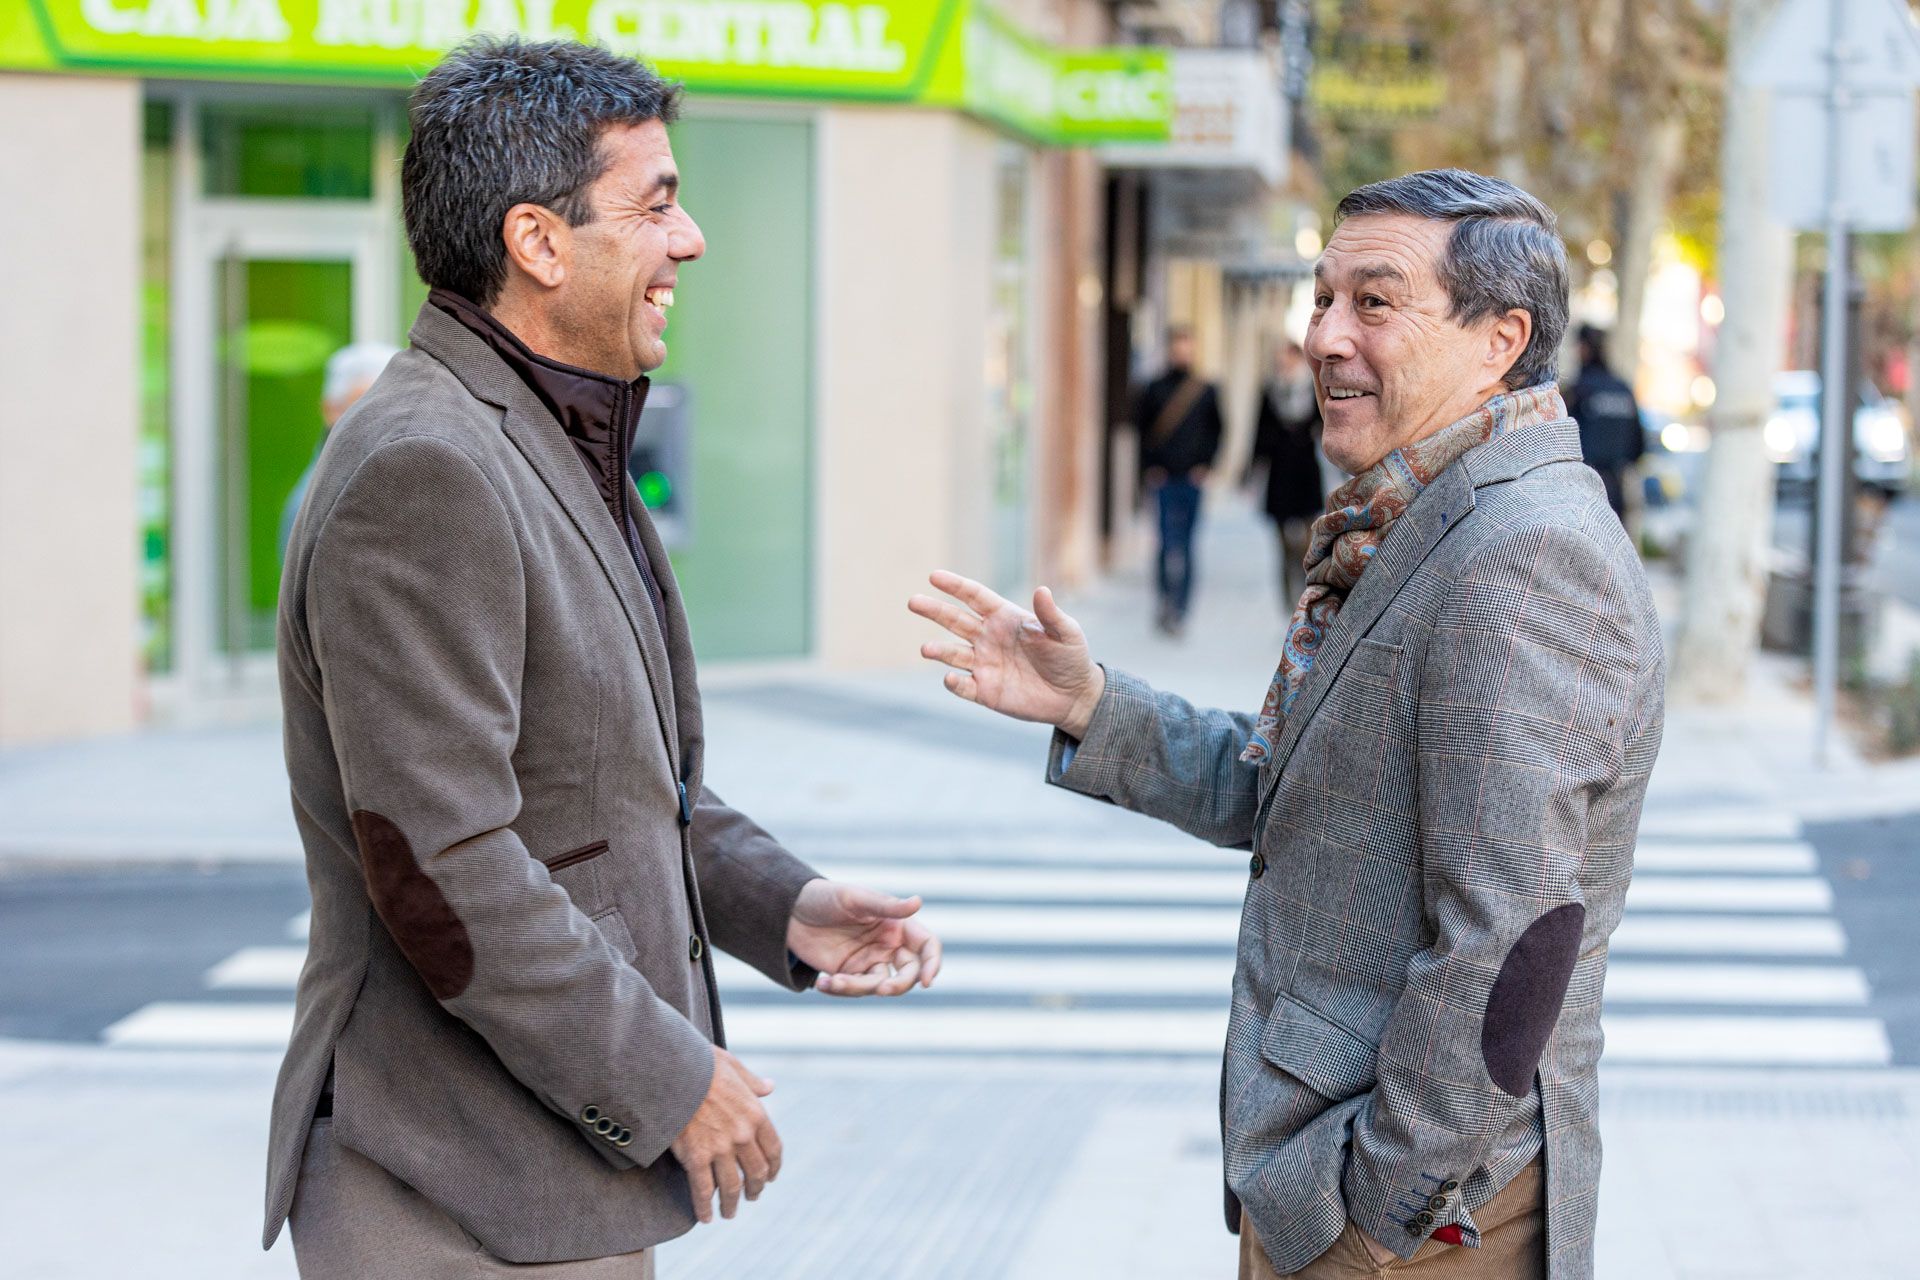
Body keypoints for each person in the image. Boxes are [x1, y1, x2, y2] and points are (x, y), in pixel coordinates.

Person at [265, 38, 942, 1279]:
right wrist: (669, 1073)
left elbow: (604, 782)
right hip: (447, 1187)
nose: (688, 241)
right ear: (537, 241)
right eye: (658, 204)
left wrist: (781, 904)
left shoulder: (543, 432)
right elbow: (443, 860)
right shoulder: (427, 466)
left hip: (537, 1176)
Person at [912, 169, 1664, 1280]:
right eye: (1321, 299)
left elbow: (1509, 945)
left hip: (1420, 1224)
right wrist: (1090, 703)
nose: (1323, 336)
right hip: (1332, 1180)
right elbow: (1303, 789)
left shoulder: (1523, 555)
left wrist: (1374, 1213)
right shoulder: (1414, 514)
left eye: (1374, 301)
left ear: (1500, 338)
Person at [1135, 326, 1223, 636]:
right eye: (1178, 346)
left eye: (1188, 346)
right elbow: (1142, 432)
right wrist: (1149, 468)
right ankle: (1163, 601)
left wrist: (1206, 467)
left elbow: (1218, 431)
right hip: (1163, 479)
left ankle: (1182, 608)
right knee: (1163, 543)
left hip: (1191, 479)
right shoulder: (1154, 388)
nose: (1182, 352)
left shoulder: (1205, 389)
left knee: (1186, 544)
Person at [278, 341, 400, 561]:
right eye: (368, 407)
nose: (384, 422)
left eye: (395, 408)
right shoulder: (317, 506)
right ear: (330, 410)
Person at [1246, 340, 1327, 607]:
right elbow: (1258, 433)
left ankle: (1305, 595)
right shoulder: (1270, 391)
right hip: (1279, 472)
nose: (1283, 364)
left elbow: (1325, 427)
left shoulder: (1312, 389)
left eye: (1287, 358)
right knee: (1280, 541)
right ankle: (1288, 602)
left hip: (1305, 471)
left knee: (1306, 541)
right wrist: (1251, 471)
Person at [1564, 325, 1644, 520]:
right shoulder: (1622, 389)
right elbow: (1638, 446)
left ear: (1583, 349)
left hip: (1582, 492)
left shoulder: (1578, 391)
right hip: (1616, 490)